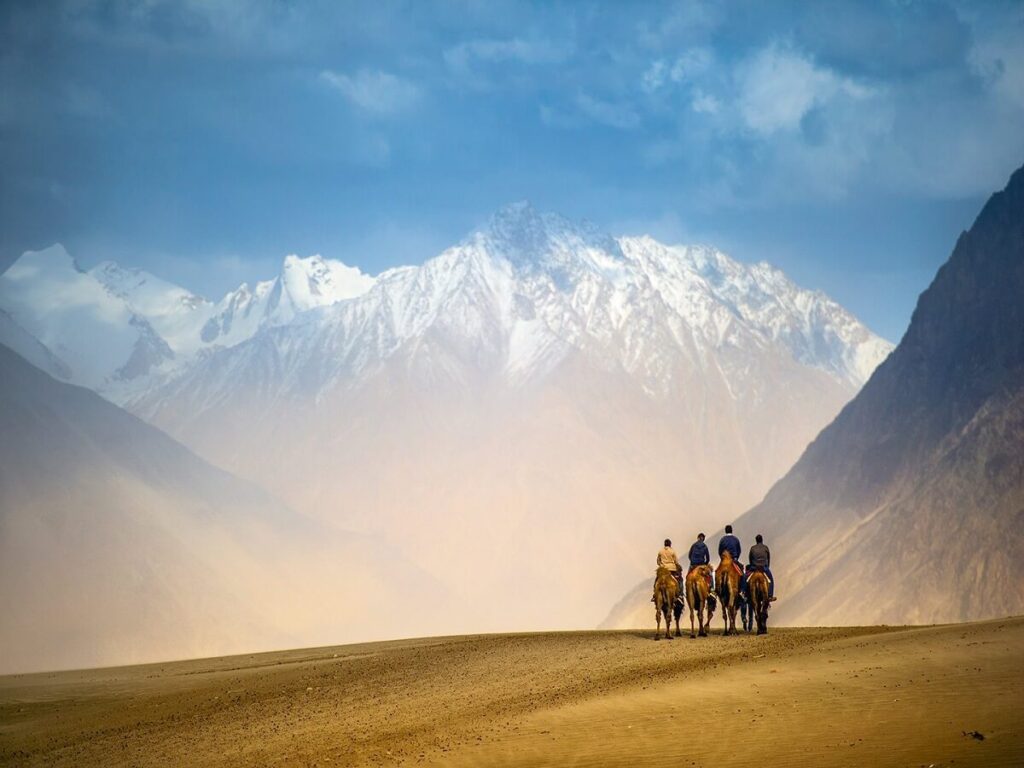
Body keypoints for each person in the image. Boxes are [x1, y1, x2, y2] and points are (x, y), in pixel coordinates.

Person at [747, 533, 776, 602]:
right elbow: (768, 558)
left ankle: (745, 594)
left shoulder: (752, 548)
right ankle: (770, 595)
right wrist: (767, 567)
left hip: (754, 567)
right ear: (762, 540)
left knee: (746, 578)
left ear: (756, 541)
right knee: (771, 580)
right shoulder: (765, 547)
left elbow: (750, 558)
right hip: (764, 568)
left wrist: (752, 566)